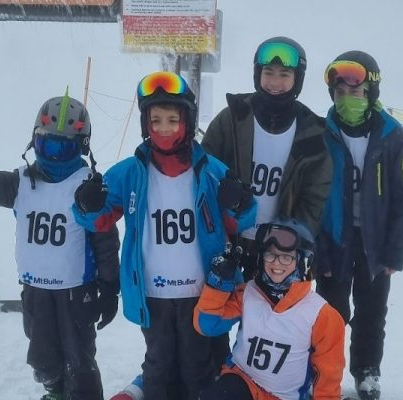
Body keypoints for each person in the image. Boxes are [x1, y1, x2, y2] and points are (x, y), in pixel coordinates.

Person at [72, 71, 256, 400]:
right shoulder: (129, 172)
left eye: (173, 120)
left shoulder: (211, 170)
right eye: (156, 120)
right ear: (145, 124)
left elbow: (237, 222)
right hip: (153, 293)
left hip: (201, 291)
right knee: (158, 365)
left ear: (187, 121)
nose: (165, 129)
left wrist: (239, 203)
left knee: (198, 367)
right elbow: (98, 220)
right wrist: (88, 204)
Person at [0, 93, 120, 400]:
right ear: (35, 142)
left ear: (82, 146)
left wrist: (110, 286)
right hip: (35, 292)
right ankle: (56, 392)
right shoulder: (21, 182)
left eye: (66, 147)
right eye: (49, 145)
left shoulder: (89, 188)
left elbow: (105, 240)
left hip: (77, 293)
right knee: (43, 357)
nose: (56, 156)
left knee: (80, 362)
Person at [313, 51, 403, 400]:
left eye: (355, 93)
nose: (347, 100)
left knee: (372, 312)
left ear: (370, 92)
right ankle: (324, 371)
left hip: (375, 242)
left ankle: (367, 369)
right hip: (334, 239)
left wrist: (394, 252)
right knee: (330, 312)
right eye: (340, 93)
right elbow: (311, 194)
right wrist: (316, 249)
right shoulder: (321, 132)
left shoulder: (391, 135)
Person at [201, 36, 332, 279]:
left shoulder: (311, 132)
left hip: (278, 249)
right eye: (268, 72)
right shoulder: (232, 118)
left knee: (266, 316)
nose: (274, 82)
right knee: (218, 311)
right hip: (228, 238)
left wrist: (291, 241)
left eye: (284, 74)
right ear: (257, 74)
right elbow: (203, 169)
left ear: (297, 79)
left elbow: (315, 198)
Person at [195, 218, 345, 400]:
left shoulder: (321, 315)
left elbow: (328, 376)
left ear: (302, 262)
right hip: (241, 382)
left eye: (286, 257)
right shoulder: (249, 294)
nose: (276, 263)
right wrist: (219, 282)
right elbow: (206, 324)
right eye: (270, 254)